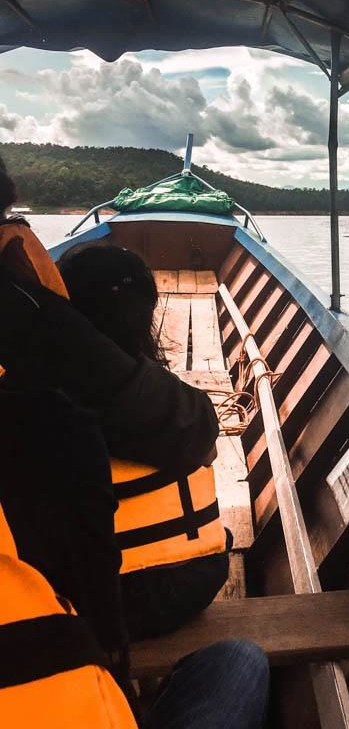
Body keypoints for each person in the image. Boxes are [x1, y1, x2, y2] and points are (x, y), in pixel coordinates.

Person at [0, 158, 270, 727]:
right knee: (242, 662)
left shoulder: (44, 374)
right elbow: (183, 422)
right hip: (177, 588)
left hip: (81, 606)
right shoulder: (45, 345)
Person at [58, 245, 231, 641]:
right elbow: (207, 451)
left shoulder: (31, 391)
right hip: (191, 581)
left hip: (82, 604)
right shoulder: (185, 406)